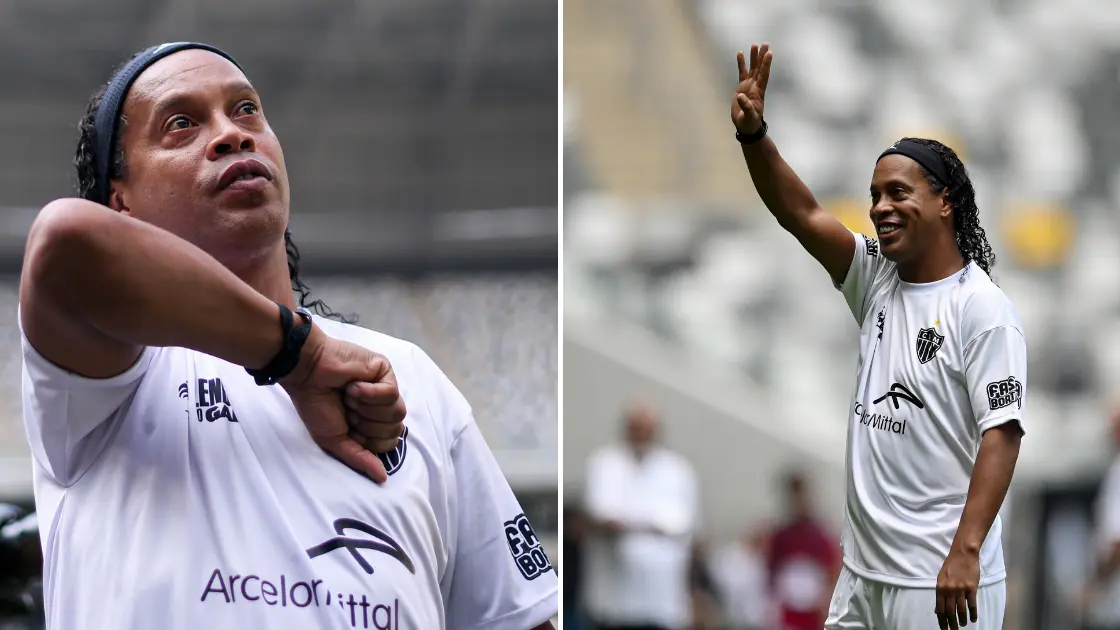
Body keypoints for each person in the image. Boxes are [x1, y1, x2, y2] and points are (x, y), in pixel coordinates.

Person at [20, 42, 557, 630]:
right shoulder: (111, 370)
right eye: (181, 124)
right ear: (119, 203)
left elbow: (516, 618)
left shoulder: (409, 375)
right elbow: (66, 242)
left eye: (246, 110)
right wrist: (299, 357)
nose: (231, 134)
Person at [731, 43, 1026, 630]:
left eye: (898, 192)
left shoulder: (982, 307)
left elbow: (1003, 434)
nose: (879, 207)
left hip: (939, 580)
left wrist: (965, 553)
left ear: (945, 202)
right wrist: (754, 135)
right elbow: (802, 214)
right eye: (874, 195)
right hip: (863, 576)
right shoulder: (876, 278)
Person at [580, 402, 699, 630]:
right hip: (612, 603)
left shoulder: (678, 470)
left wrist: (630, 525)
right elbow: (602, 516)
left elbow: (682, 528)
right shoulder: (604, 463)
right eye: (636, 428)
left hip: (661, 602)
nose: (641, 434)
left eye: (647, 428)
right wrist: (649, 527)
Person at [766, 471, 841, 630]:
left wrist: (827, 601)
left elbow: (832, 570)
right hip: (789, 611)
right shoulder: (781, 537)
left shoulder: (821, 537)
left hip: (815, 611)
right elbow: (771, 572)